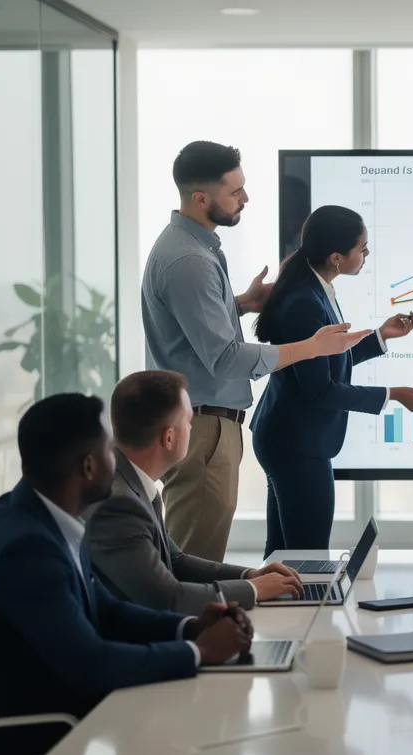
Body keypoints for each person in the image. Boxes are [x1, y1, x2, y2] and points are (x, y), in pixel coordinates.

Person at [0, 394, 253, 755]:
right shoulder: (26, 549)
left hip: (51, 708)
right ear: (88, 467)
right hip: (17, 743)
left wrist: (190, 627)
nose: (117, 459)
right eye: (109, 450)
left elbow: (106, 609)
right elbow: (91, 665)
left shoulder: (42, 514)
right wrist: (200, 652)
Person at [142, 141, 373, 562]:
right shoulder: (188, 260)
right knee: (196, 561)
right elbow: (227, 358)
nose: (245, 199)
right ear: (201, 198)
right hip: (205, 428)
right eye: (235, 192)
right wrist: (309, 348)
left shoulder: (196, 250)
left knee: (208, 557)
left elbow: (193, 330)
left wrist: (241, 304)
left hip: (209, 423)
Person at [251, 205, 413, 556]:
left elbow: (327, 361)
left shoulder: (313, 287)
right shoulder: (306, 301)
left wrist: (381, 336)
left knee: (284, 557)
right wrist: (392, 394)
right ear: (336, 257)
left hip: (287, 437)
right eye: (361, 248)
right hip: (296, 445)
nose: (366, 254)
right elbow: (321, 390)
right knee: (306, 557)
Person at [86, 370, 305, 614]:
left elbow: (175, 560)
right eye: (188, 422)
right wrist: (253, 589)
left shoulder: (131, 483)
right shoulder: (119, 505)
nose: (191, 428)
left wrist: (249, 574)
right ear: (169, 437)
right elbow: (171, 599)